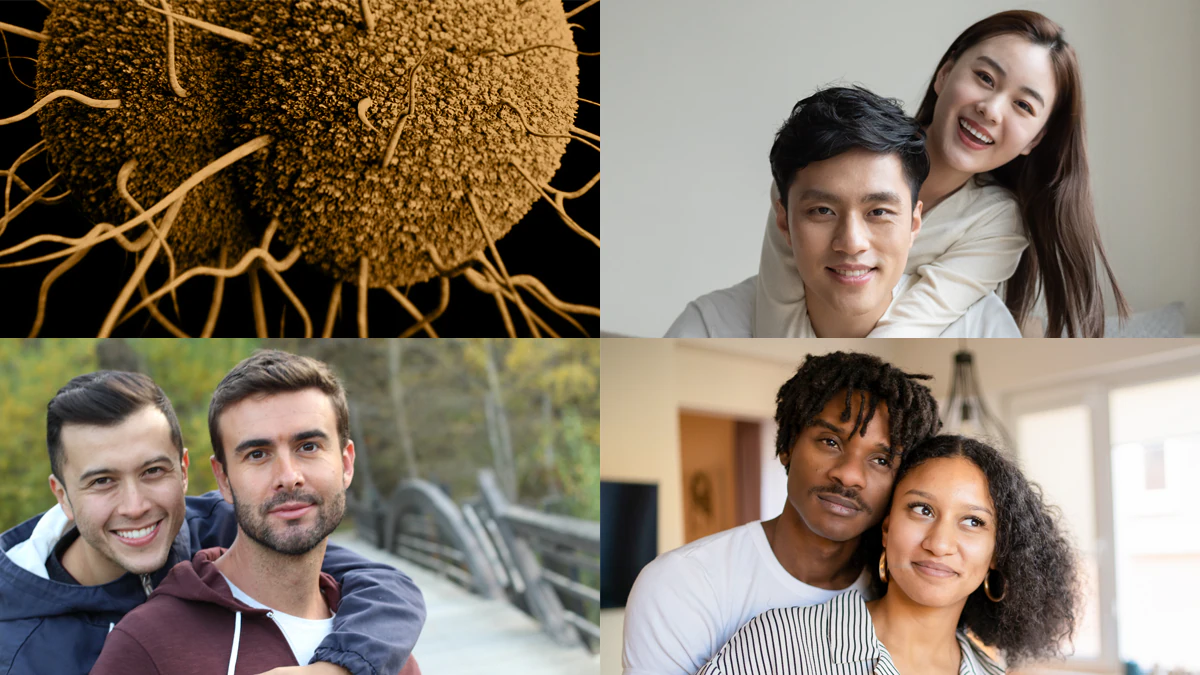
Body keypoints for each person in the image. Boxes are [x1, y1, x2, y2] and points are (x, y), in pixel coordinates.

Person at [0, 368, 424, 675]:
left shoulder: (229, 524)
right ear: (63, 496)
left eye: (153, 472)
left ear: (185, 471)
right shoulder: (17, 646)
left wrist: (338, 669)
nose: (135, 506)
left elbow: (384, 587)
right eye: (102, 481)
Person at [755, 9, 1127, 338]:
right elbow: (778, 312)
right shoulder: (822, 160)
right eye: (985, 77)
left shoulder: (998, 223)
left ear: (1036, 139)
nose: (992, 109)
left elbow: (911, 326)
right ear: (945, 74)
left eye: (1023, 105)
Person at [622, 351, 943, 675]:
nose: (849, 475)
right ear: (788, 445)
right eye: (830, 441)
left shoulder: (902, 589)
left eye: (882, 460)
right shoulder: (683, 584)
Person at [698, 435, 1080, 674]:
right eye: (922, 510)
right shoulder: (781, 644)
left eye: (973, 522)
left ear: (997, 554)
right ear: (886, 528)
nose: (940, 543)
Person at [665, 86, 1020, 338]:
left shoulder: (983, 326)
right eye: (822, 210)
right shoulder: (708, 326)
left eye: (878, 212)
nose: (851, 243)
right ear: (783, 221)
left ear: (914, 223)